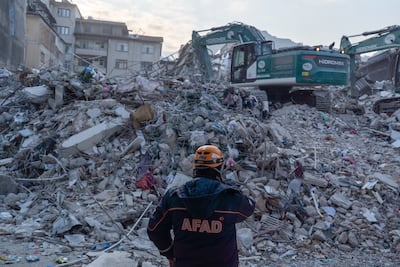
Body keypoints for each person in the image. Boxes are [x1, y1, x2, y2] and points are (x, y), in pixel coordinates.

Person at [147, 145, 255, 267]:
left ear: (196, 167)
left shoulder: (174, 197)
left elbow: (154, 229)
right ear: (219, 167)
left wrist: (170, 254)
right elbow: (249, 208)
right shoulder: (230, 198)